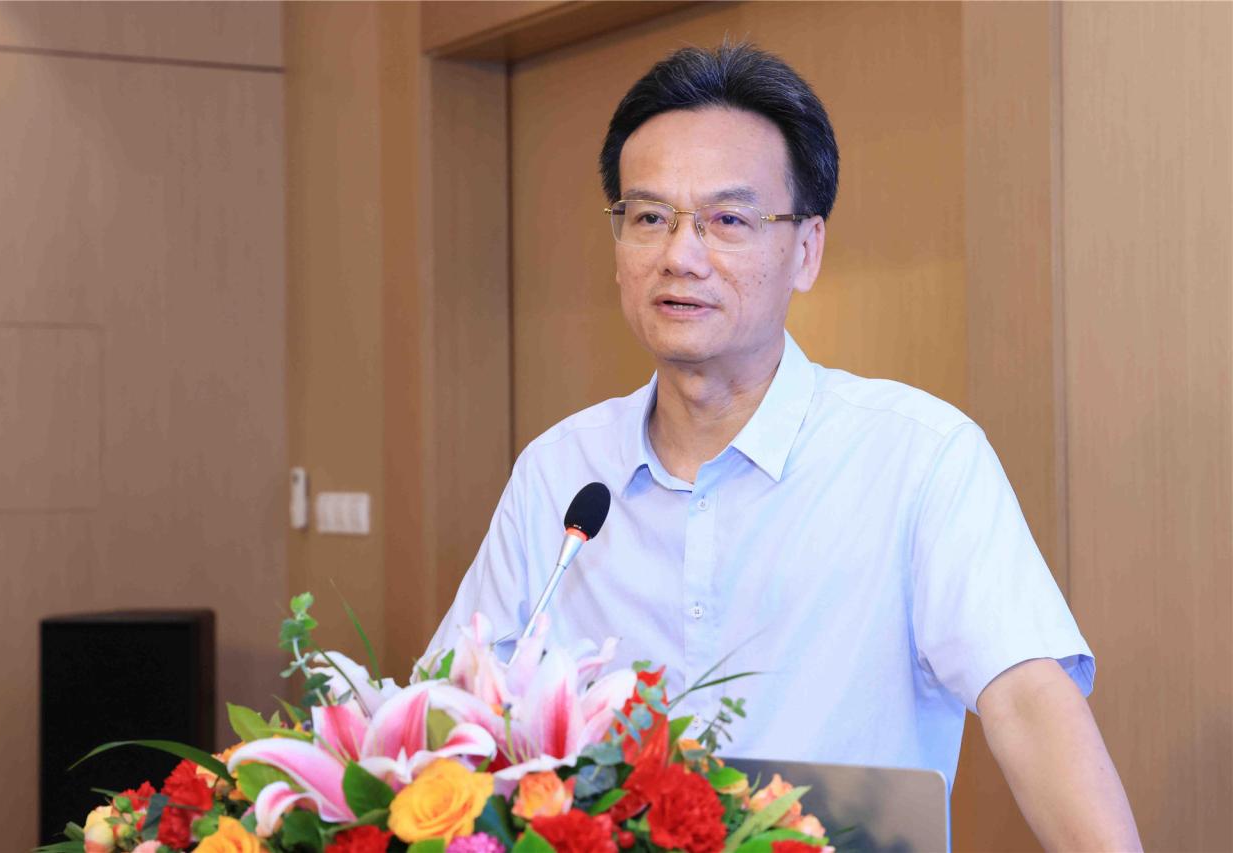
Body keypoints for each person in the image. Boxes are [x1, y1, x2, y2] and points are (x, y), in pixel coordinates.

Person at [426, 42, 1140, 850]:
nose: (679, 255)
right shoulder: (560, 471)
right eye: (649, 217)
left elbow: (1028, 700)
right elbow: (449, 712)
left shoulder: (918, 457)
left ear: (806, 250)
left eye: (728, 220)